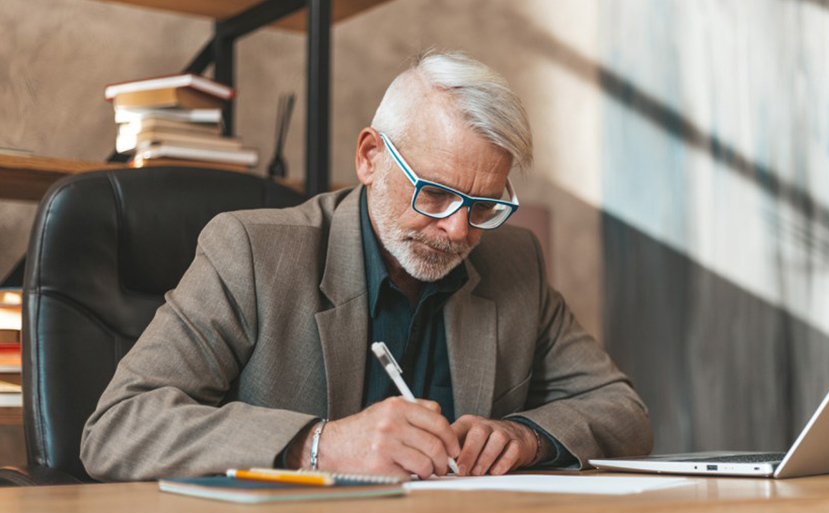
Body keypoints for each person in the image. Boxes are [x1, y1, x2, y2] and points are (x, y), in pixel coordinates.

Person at [81, 51, 653, 481]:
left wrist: (525, 438)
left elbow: (624, 411)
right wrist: (318, 445)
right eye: (434, 195)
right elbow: (119, 427)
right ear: (369, 157)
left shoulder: (515, 260)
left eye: (483, 206)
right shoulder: (252, 253)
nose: (458, 229)